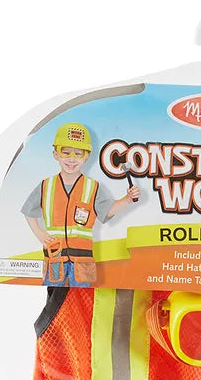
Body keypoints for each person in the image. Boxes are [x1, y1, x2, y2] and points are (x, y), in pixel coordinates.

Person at [21, 122, 140, 287]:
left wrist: (127, 199)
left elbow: (107, 210)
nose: (72, 159)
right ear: (56, 154)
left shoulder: (93, 187)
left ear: (86, 156)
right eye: (66, 152)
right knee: (54, 296)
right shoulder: (46, 186)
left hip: (82, 260)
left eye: (78, 153)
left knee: (82, 297)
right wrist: (39, 233)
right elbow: (28, 211)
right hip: (55, 256)